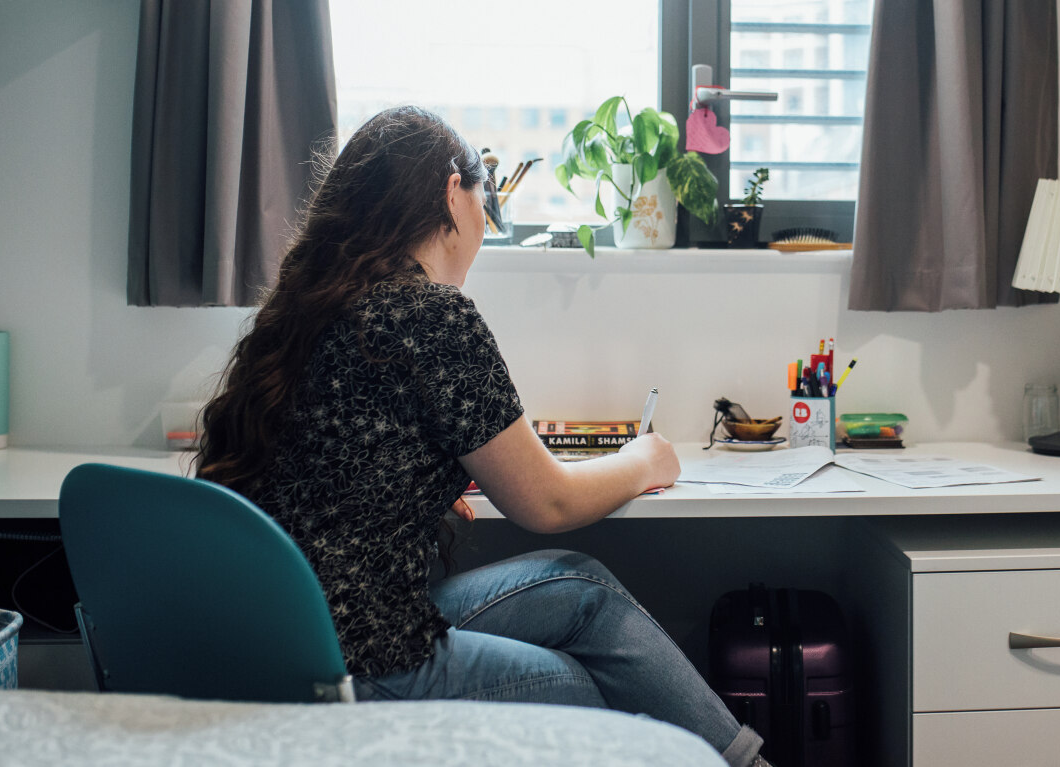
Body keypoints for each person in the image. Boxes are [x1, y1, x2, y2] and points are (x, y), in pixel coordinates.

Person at [196, 106, 768, 767]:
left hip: (285, 637)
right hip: (360, 658)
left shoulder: (307, 309)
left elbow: (334, 463)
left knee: (580, 585)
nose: (483, 231)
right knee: (575, 686)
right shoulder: (432, 314)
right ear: (451, 192)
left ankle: (742, 761)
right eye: (483, 203)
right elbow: (546, 503)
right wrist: (643, 460)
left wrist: (416, 490)